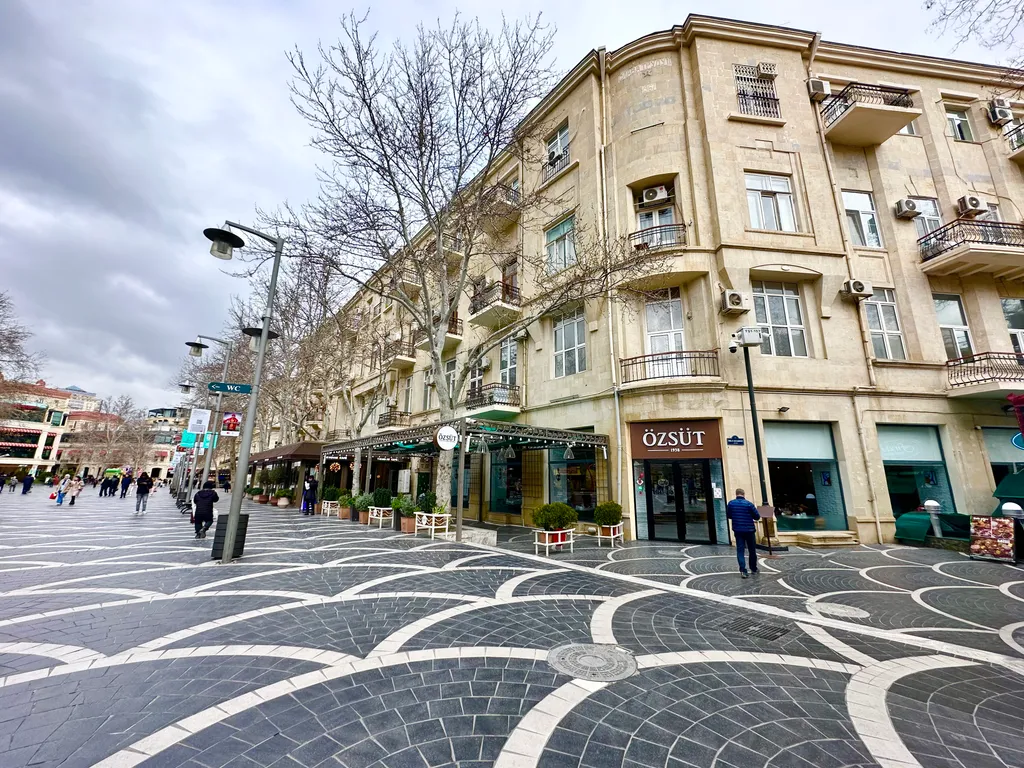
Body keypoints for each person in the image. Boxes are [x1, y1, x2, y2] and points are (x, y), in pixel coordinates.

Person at [727, 488, 761, 579]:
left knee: (740, 550)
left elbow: (729, 515)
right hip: (749, 530)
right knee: (752, 550)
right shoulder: (749, 504)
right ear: (743, 494)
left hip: (738, 530)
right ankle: (753, 568)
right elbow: (757, 516)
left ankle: (743, 570)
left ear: (736, 494)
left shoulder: (731, 504)